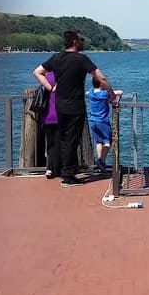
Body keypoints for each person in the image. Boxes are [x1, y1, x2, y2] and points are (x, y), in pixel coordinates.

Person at [33, 30, 116, 187]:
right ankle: (68, 175)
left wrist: (50, 88)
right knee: (72, 139)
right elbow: (101, 78)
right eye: (81, 39)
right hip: (75, 106)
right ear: (75, 42)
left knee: (64, 139)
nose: (82, 41)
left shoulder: (56, 58)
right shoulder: (81, 59)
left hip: (59, 105)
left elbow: (37, 72)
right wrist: (111, 95)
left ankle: (66, 171)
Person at [86, 76, 123, 172]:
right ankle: (101, 160)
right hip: (102, 121)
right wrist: (109, 92)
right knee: (108, 142)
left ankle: (100, 164)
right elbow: (120, 92)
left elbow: (86, 93)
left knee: (99, 142)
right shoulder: (104, 94)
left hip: (93, 121)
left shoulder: (91, 92)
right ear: (101, 84)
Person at [40, 71, 61, 179]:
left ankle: (49, 168)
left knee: (50, 144)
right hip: (58, 116)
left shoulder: (45, 78)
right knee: (58, 144)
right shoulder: (60, 77)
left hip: (46, 116)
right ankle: (56, 169)